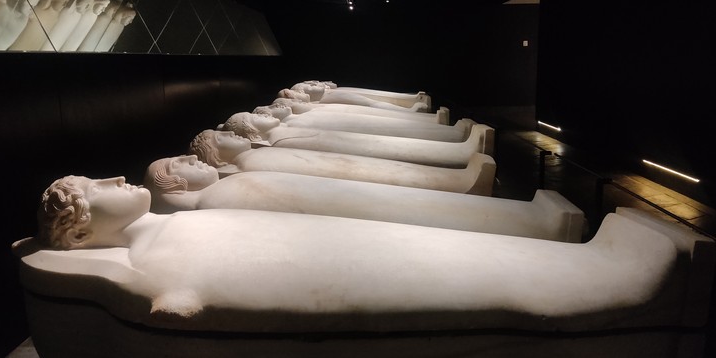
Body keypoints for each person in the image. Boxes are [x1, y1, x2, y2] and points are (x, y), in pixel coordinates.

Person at [21, 174, 711, 336]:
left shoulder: (172, 234)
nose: (115, 178)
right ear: (79, 233)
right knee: (452, 274)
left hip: (335, 257)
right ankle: (616, 286)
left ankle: (602, 275)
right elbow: (192, 302)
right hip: (325, 274)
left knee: (445, 252)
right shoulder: (155, 264)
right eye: (96, 187)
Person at [142, 154, 583, 242]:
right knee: (410, 213)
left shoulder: (227, 186)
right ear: (172, 185)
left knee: (397, 199)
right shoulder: (216, 200)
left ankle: (527, 221)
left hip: (339, 200)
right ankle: (532, 225)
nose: (194, 160)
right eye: (182, 164)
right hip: (341, 215)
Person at [187, 129, 495, 195]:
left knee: (381, 155)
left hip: (336, 164)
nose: (231, 134)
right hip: (337, 175)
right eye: (222, 137)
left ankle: (457, 161)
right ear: (218, 156)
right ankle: (459, 176)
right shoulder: (250, 164)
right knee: (385, 172)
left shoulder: (254, 157)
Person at [218, 111, 493, 166]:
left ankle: (453, 139)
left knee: (389, 134)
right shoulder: (275, 144)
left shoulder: (283, 132)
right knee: (390, 144)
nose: (263, 113)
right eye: (254, 117)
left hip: (342, 142)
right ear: (253, 133)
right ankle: (457, 149)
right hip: (342, 150)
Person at [252, 103, 473, 142]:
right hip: (346, 134)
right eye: (261, 115)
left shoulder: (302, 118)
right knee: (384, 129)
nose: (271, 111)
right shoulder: (294, 127)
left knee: (380, 119)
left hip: (344, 125)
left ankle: (440, 128)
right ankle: (450, 136)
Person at [271, 96, 450, 125]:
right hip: (344, 117)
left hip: (344, 113)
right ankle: (413, 114)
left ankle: (411, 112)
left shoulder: (315, 105)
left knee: (375, 107)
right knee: (376, 111)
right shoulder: (299, 119)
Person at [292, 80, 432, 110]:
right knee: (373, 103)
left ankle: (410, 100)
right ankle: (409, 111)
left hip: (335, 92)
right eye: (310, 86)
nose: (314, 84)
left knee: (377, 96)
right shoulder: (323, 98)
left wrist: (322, 84)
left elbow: (333, 84)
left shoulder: (328, 90)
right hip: (332, 96)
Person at [278, 87, 429, 113]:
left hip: (330, 95)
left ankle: (409, 106)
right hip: (329, 97)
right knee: (373, 103)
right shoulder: (318, 102)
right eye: (295, 93)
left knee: (374, 99)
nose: (300, 92)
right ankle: (409, 111)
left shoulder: (323, 96)